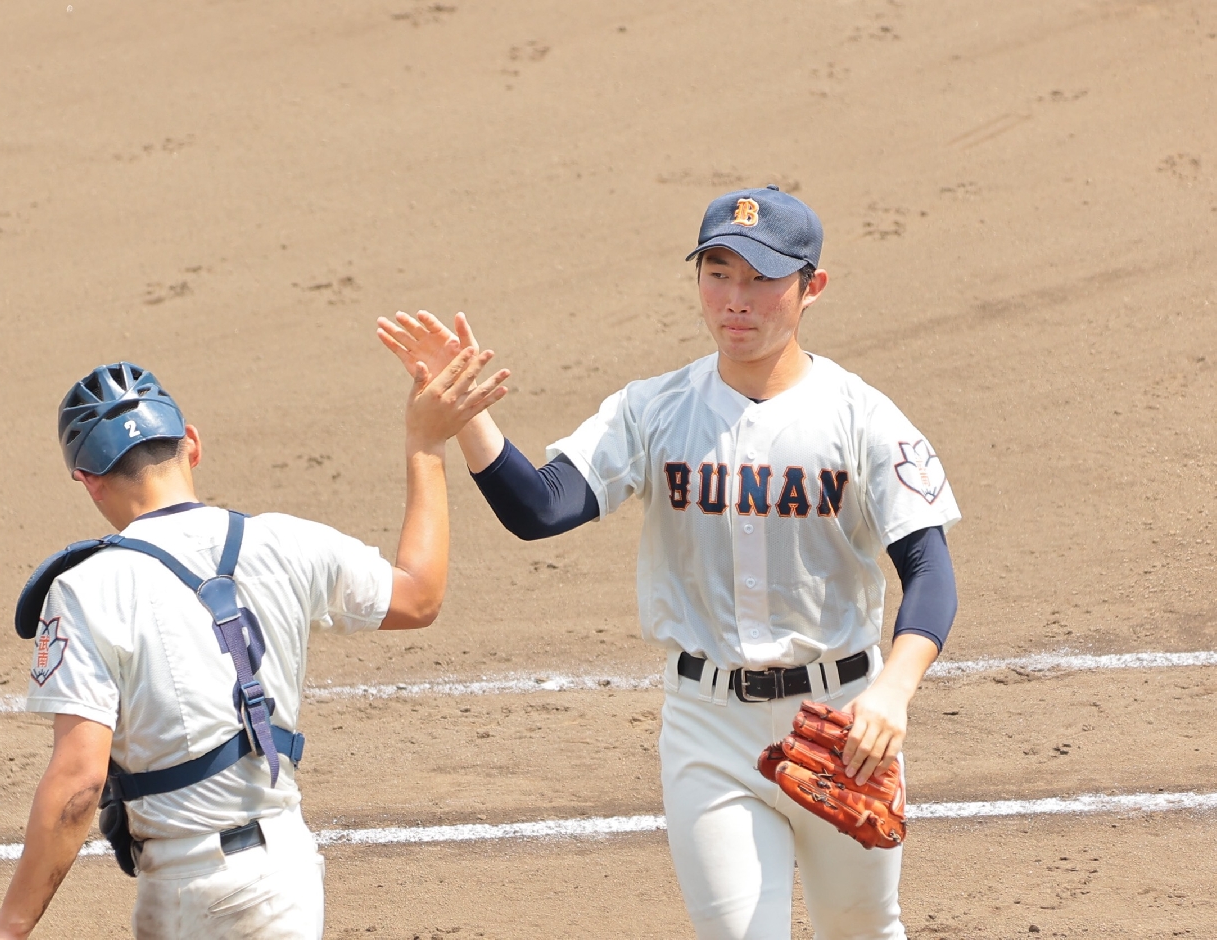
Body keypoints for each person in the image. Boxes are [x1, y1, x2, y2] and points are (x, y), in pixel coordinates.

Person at [376, 186, 960, 940]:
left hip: (845, 721)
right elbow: (541, 509)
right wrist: (466, 416)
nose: (736, 301)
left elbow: (929, 569)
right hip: (708, 729)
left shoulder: (862, 418)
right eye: (718, 274)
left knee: (862, 928)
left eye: (760, 279)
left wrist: (893, 693)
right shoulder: (653, 409)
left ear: (812, 287)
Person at [0, 350, 508, 940]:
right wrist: (426, 444)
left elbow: (78, 784)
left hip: (190, 891)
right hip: (290, 880)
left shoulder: (85, 589)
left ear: (89, 482)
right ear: (192, 444)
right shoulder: (288, 543)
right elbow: (419, 595)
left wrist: (7, 928)